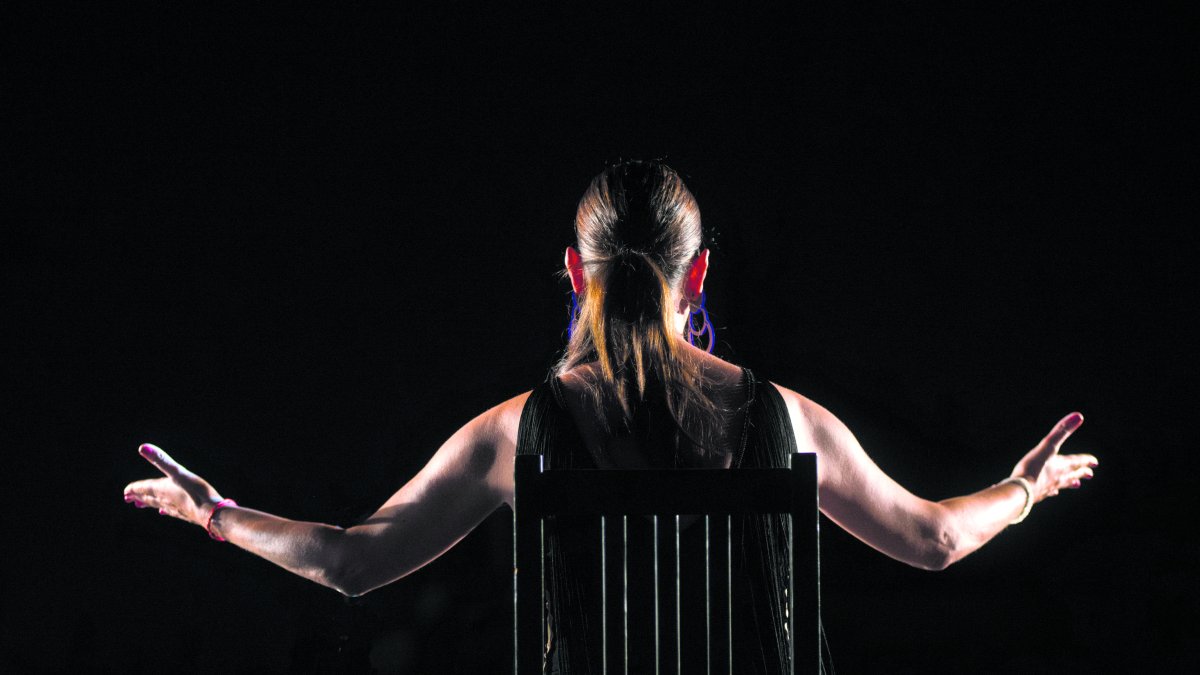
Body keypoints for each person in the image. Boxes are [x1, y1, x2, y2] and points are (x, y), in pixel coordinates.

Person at [123, 160, 1098, 672]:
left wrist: (218, 513)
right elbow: (933, 540)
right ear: (699, 274)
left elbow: (351, 563)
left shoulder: (516, 431)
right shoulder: (784, 419)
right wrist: (1024, 489)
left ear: (575, 272)